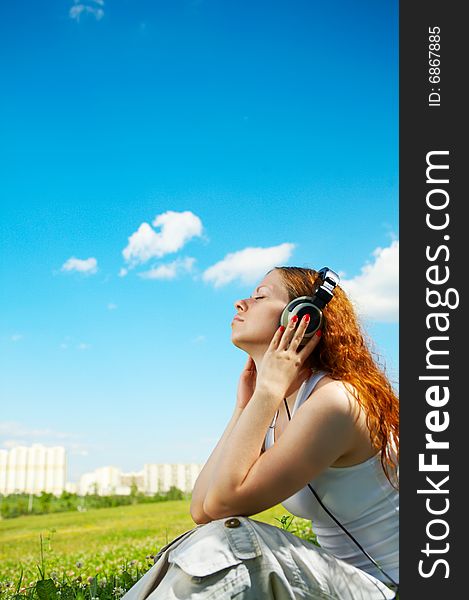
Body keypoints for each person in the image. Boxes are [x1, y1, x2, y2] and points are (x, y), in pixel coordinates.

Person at [122, 266, 399, 600]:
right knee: (210, 537)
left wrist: (267, 391)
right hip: (348, 583)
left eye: (259, 296)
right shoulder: (277, 404)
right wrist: (245, 406)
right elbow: (202, 510)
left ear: (302, 318)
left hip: (388, 587)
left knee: (232, 539)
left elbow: (225, 504)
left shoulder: (335, 401)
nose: (240, 303)